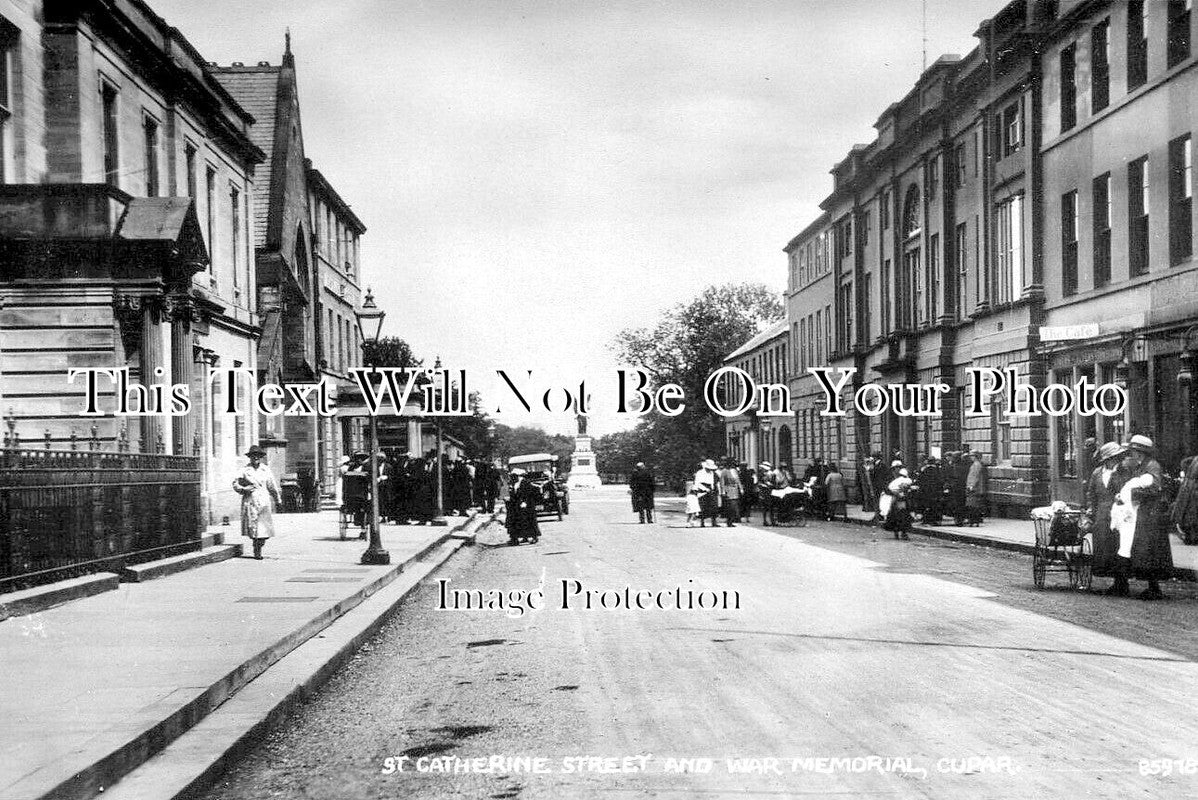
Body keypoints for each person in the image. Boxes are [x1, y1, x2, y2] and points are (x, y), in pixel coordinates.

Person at [1113, 435, 1173, 600]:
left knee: (1151, 550)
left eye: (1134, 451)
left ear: (1140, 452)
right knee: (1146, 550)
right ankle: (1152, 586)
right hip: (1145, 513)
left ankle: (1154, 587)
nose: (1132, 454)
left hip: (1152, 514)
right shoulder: (1143, 466)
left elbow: (1154, 488)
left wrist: (1130, 494)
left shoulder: (1151, 466)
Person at [1083, 441, 1127, 592]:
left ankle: (1121, 582)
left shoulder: (1123, 472)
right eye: (1114, 457)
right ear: (1107, 459)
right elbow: (1091, 493)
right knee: (1104, 547)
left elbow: (1126, 491)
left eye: (1118, 456)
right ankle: (1114, 580)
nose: (1117, 459)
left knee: (1119, 546)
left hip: (1118, 513)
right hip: (1101, 514)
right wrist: (1090, 509)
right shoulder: (1097, 473)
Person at [233, 446, 282, 560]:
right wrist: (243, 489)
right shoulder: (245, 470)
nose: (255, 458)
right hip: (250, 500)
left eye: (258, 456)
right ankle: (257, 549)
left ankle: (259, 545)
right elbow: (235, 484)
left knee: (264, 529)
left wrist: (278, 500)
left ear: (260, 457)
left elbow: (272, 486)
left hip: (264, 501)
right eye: (253, 456)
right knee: (254, 527)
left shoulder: (265, 469)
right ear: (250, 457)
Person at [505, 468, 541, 544]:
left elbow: (530, 493)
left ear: (518, 476)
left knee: (529, 522)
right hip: (516, 506)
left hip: (527, 506)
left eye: (514, 476)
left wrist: (525, 502)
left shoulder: (525, 483)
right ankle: (516, 538)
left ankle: (534, 537)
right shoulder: (513, 483)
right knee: (516, 522)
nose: (512, 478)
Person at [882, 468, 915, 540]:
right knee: (904, 516)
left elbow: (889, 489)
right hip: (902, 500)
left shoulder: (894, 481)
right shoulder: (907, 480)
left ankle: (896, 532)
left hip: (895, 500)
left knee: (894, 516)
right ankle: (904, 533)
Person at [693, 459, 721, 528]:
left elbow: (714, 482)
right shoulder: (700, 473)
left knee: (714, 506)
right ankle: (702, 522)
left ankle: (714, 522)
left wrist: (713, 489)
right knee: (703, 506)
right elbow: (697, 483)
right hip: (702, 490)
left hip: (711, 490)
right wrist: (704, 489)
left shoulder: (712, 473)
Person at [918, 456, 944, 525]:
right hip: (935, 491)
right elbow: (941, 480)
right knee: (935, 506)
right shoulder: (938, 470)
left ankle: (926, 520)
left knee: (926, 505)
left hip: (926, 491)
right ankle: (935, 520)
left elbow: (920, 480)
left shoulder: (924, 469)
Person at [717, 458, 743, 527]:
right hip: (728, 490)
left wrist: (741, 488)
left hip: (735, 490)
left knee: (735, 506)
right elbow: (722, 482)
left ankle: (733, 520)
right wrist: (723, 491)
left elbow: (738, 480)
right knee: (730, 506)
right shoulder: (724, 471)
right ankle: (729, 521)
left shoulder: (734, 471)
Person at [964, 452, 988, 526]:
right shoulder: (976, 464)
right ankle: (975, 520)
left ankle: (973, 520)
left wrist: (971, 485)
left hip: (974, 488)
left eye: (972, 456)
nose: (971, 457)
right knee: (974, 505)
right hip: (975, 487)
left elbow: (975, 476)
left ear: (975, 456)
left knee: (973, 505)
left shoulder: (976, 465)